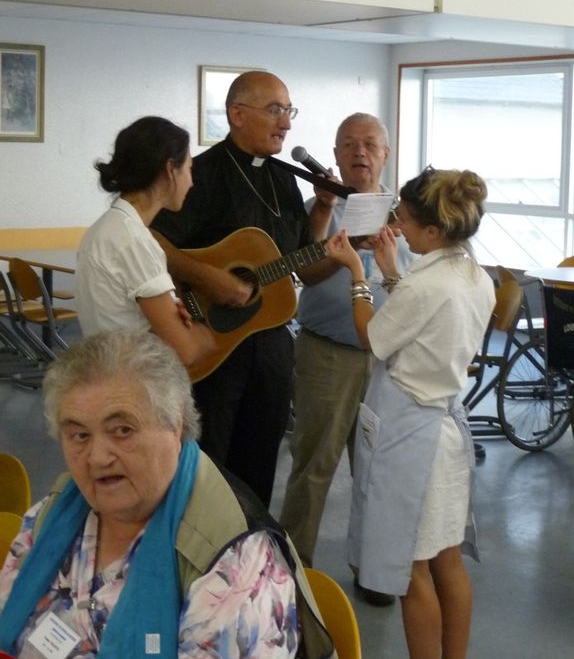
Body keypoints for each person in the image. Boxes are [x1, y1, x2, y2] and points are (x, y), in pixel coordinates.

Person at [0, 330, 333, 659]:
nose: (98, 457)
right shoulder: (57, 510)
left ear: (175, 424)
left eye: (123, 430)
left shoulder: (235, 562)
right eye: (79, 435)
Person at [324, 167, 495, 659]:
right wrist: (391, 272)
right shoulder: (474, 277)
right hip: (443, 430)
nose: (396, 223)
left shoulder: (427, 285)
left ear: (434, 232)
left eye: (405, 219)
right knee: (447, 563)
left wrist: (359, 276)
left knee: (412, 569)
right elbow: (426, 324)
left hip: (411, 440)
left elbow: (374, 340)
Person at [151, 71, 336, 507]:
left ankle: (250, 554)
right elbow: (151, 238)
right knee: (207, 458)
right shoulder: (202, 174)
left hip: (271, 344)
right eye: (275, 110)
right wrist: (207, 276)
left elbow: (306, 265)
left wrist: (325, 208)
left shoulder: (285, 179)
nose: (286, 123)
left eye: (288, 111)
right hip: (214, 342)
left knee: (260, 461)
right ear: (237, 114)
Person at [279, 114, 413, 606]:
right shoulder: (322, 208)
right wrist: (335, 239)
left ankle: (373, 569)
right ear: (335, 156)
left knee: (377, 471)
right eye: (349, 145)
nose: (360, 153)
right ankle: (294, 573)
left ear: (385, 154)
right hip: (327, 352)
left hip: (389, 362)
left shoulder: (407, 213)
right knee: (313, 465)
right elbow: (306, 276)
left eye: (370, 144)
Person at [75, 116, 213, 368]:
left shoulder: (107, 228)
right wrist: (203, 334)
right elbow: (186, 351)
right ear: (170, 169)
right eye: (189, 169)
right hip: (132, 382)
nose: (191, 182)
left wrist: (173, 321)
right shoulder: (134, 241)